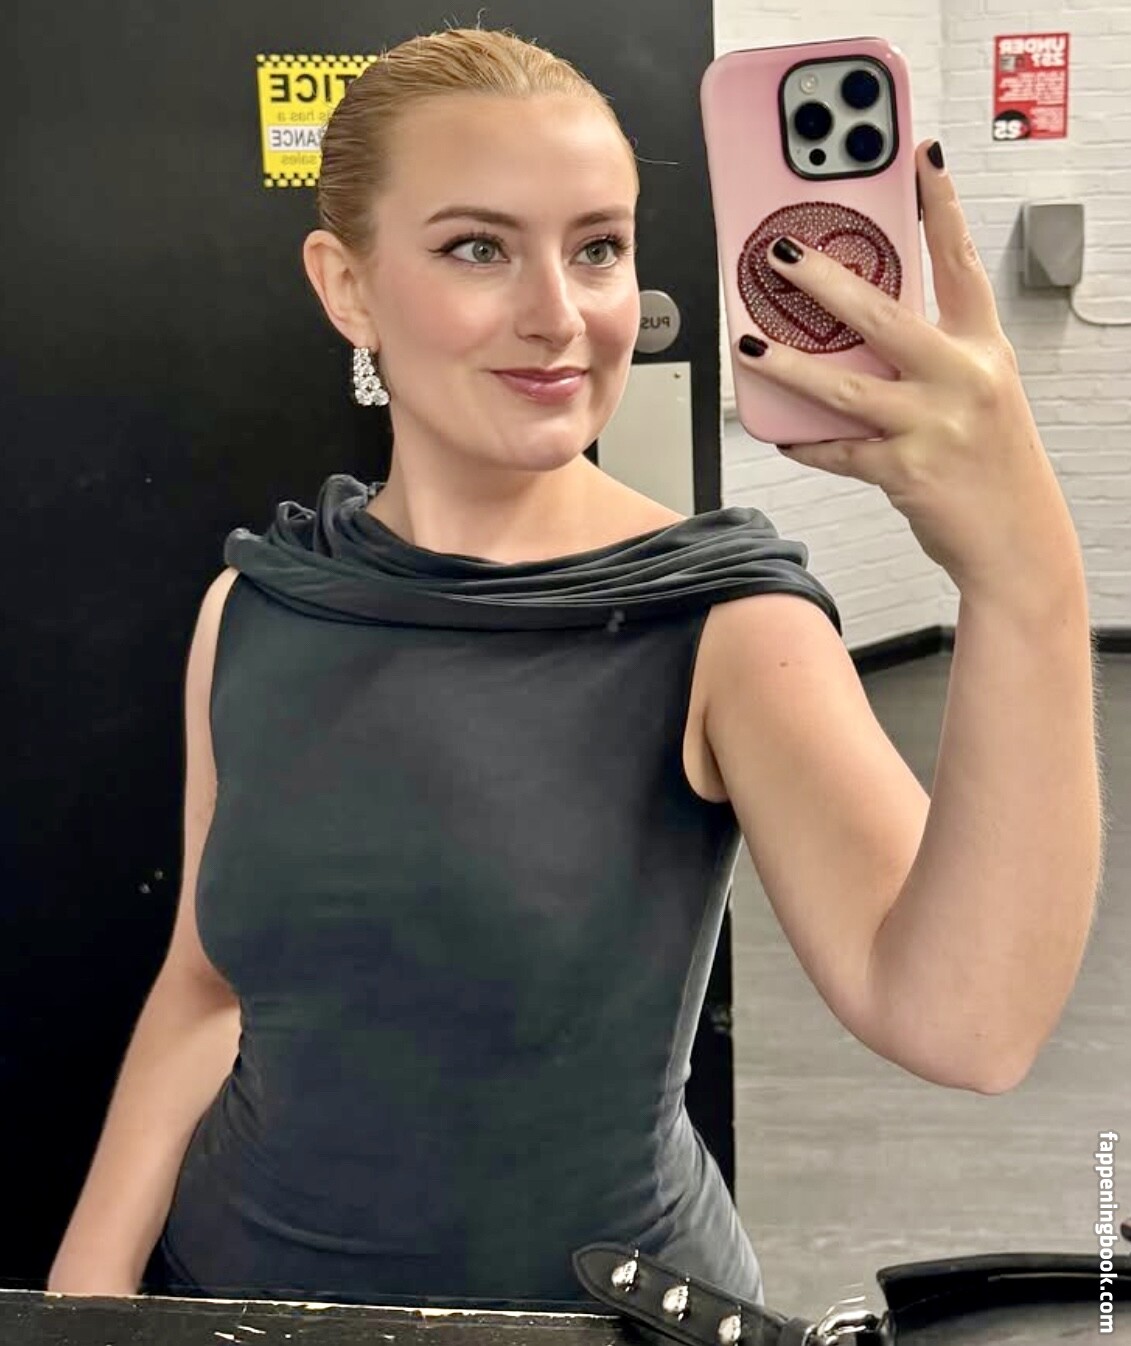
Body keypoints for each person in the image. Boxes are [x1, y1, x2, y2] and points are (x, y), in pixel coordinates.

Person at [48, 25, 1102, 1315]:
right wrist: (87, 1295)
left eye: (598, 247)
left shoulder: (722, 622)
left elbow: (967, 1022)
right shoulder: (257, 606)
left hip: (594, 1317)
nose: (560, 315)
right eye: (477, 248)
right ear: (347, 286)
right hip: (236, 1296)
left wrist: (1026, 580)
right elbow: (208, 982)